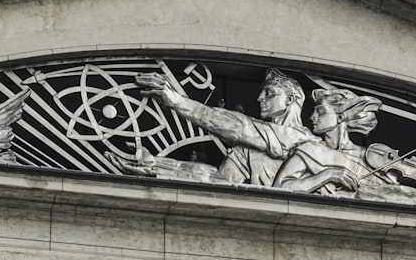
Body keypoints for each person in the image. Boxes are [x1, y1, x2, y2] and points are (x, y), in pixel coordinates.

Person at [273, 88, 416, 210]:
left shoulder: (374, 156)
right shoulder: (309, 150)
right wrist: (328, 175)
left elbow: (406, 199)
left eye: (320, 111)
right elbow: (281, 189)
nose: (312, 117)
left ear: (341, 116)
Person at [110, 69, 316, 186]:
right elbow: (217, 179)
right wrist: (157, 165)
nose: (259, 98)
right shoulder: (248, 151)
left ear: (290, 99)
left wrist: (176, 100)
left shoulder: (311, 144)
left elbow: (228, 123)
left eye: (269, 93)